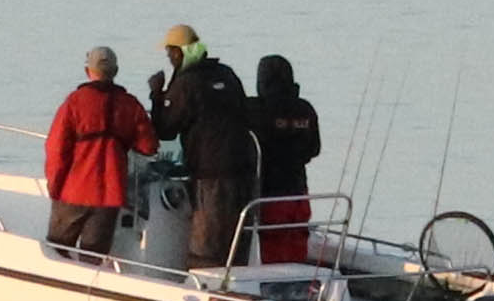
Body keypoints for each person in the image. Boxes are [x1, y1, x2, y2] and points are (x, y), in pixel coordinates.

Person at [155, 29, 260, 270]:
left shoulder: (187, 83)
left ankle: (203, 288)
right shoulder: (227, 74)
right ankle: (240, 281)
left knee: (207, 244)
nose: (169, 58)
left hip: (211, 176)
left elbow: (165, 129)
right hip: (245, 171)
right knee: (237, 240)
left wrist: (157, 94)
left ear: (179, 53)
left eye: (170, 53)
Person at [42, 47, 150, 255]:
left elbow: (56, 149)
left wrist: (55, 186)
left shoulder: (74, 102)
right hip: (110, 194)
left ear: (87, 71)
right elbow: (148, 146)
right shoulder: (130, 105)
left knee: (57, 252)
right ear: (116, 71)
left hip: (73, 192)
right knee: (93, 258)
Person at [247, 54, 323, 270]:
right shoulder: (306, 110)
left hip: (270, 193)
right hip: (298, 192)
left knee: (272, 249)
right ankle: (298, 283)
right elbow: (314, 149)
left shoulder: (255, 110)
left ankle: (276, 289)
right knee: (296, 243)